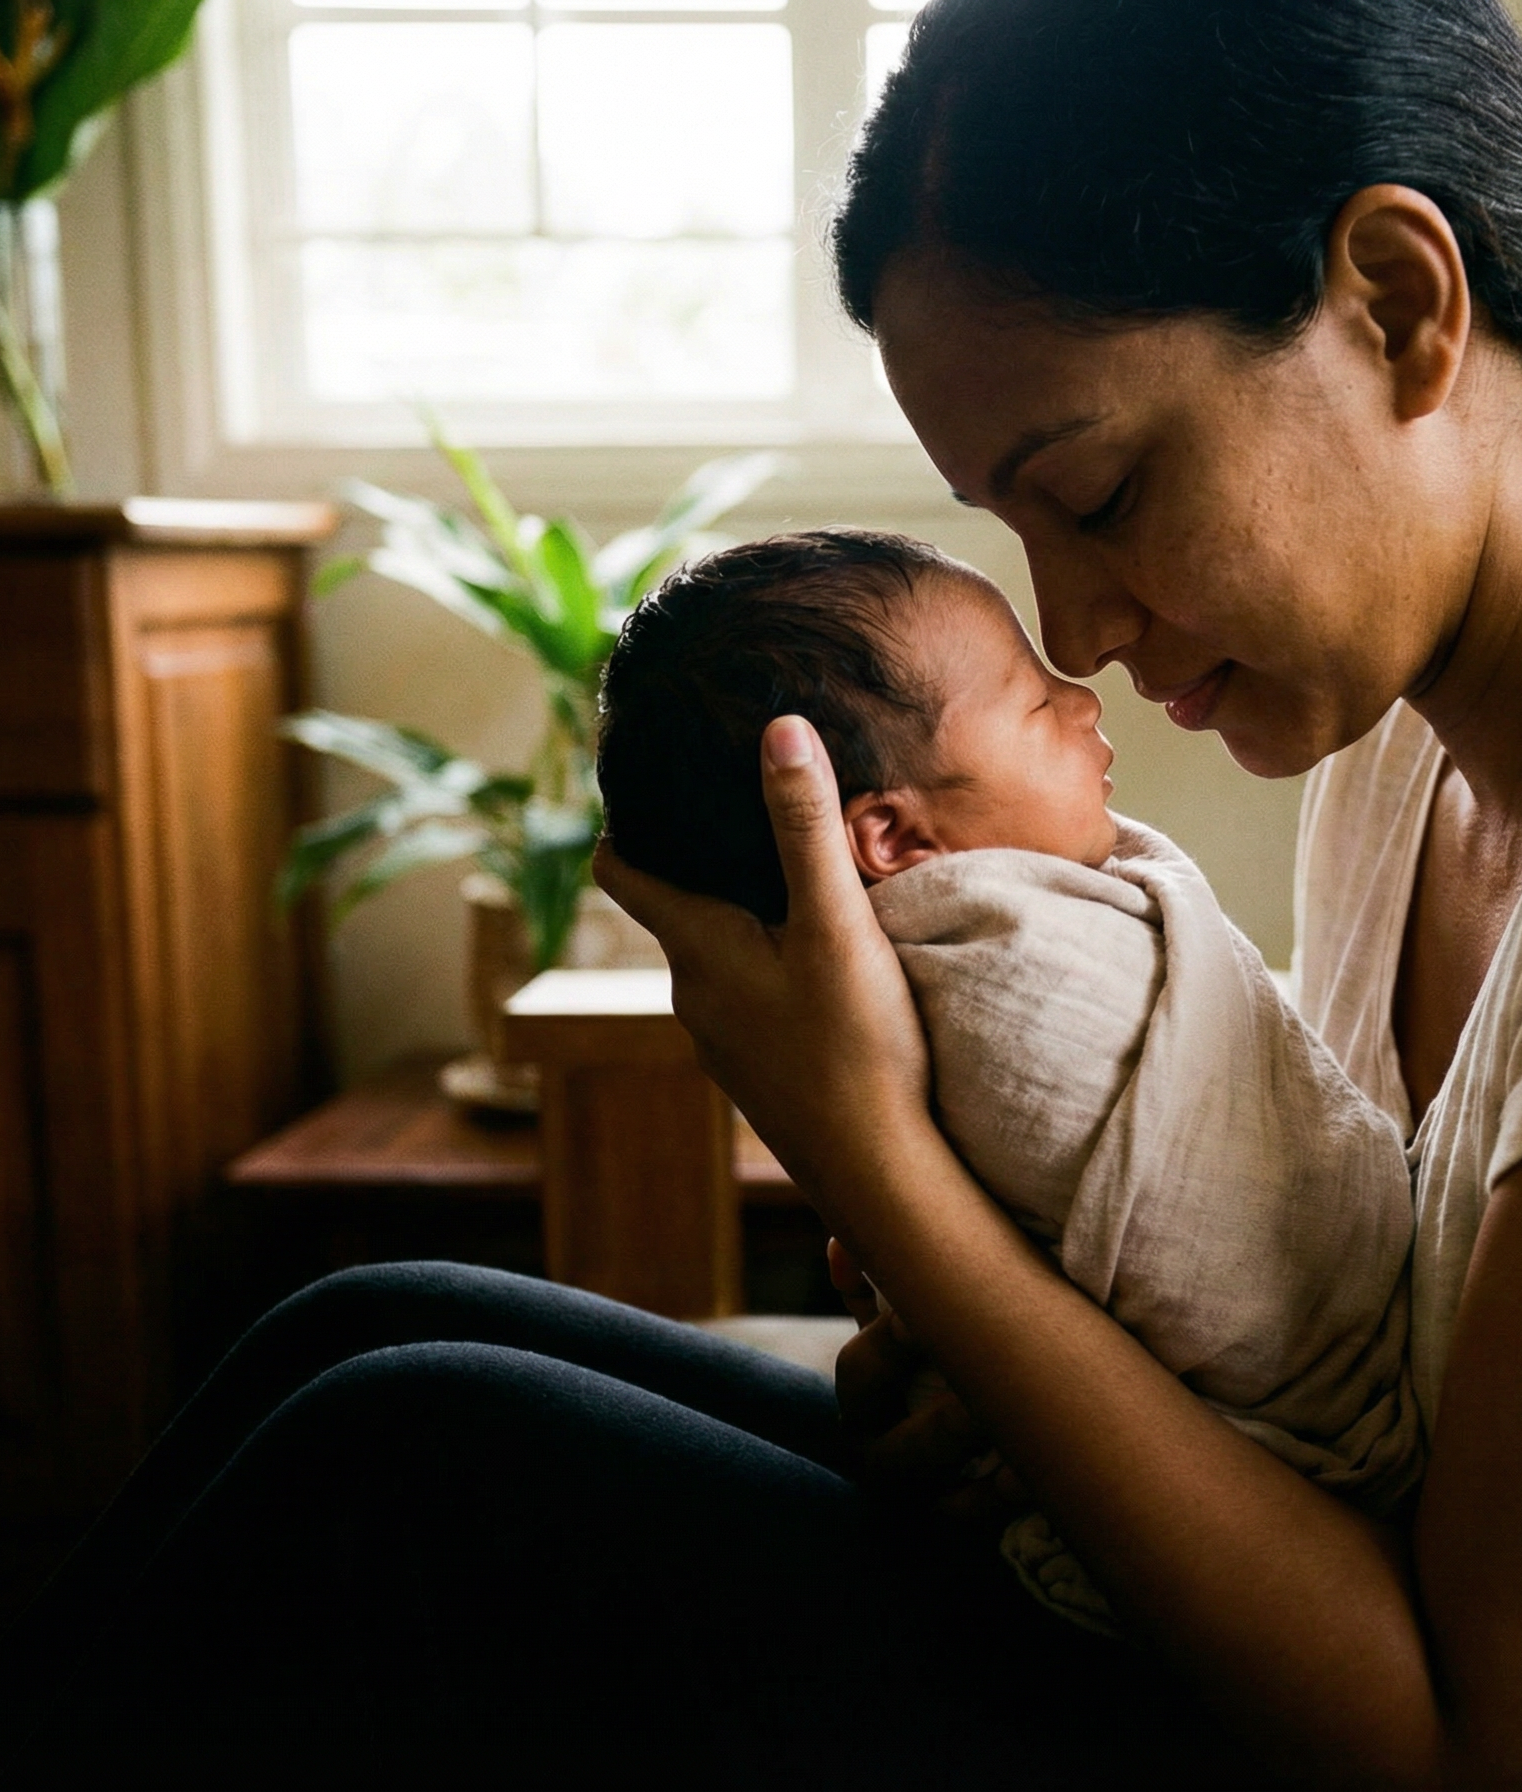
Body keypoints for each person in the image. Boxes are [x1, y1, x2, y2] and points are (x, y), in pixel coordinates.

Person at [15, 1, 1522, 1786]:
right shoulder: (1423, 741)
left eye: (1104, 489)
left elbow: (1500, 1755)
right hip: (1376, 1612)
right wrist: (1016, 1360)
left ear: (1398, 300)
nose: (1081, 628)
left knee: (408, 1467)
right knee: (370, 1328)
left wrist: (880, 1165)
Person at [596, 528, 1422, 1629]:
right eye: (1037, 701)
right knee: (368, 1335)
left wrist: (878, 1163)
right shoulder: (1003, 973)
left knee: (394, 1404)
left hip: (1270, 1559)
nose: (1085, 696)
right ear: (889, 836)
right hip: (1222, 1503)